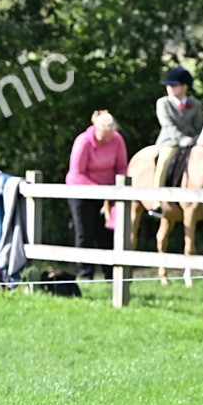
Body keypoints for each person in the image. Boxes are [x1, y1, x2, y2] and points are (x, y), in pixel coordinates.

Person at [66, 110, 128, 280]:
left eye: (111, 134)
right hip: (82, 191)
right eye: (104, 135)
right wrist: (98, 190)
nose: (108, 139)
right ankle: (86, 275)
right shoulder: (83, 142)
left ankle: (110, 275)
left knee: (107, 234)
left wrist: (116, 187)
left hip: (107, 192)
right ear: (96, 128)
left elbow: (122, 166)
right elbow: (77, 173)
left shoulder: (117, 140)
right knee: (84, 233)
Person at [151, 65, 203, 215]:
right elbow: (167, 125)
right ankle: (157, 200)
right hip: (170, 142)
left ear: (185, 87)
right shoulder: (163, 103)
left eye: (173, 85)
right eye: (168, 85)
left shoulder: (196, 104)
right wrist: (182, 140)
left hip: (192, 143)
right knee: (164, 161)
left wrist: (197, 140)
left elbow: (198, 126)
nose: (169, 88)